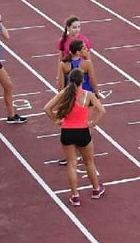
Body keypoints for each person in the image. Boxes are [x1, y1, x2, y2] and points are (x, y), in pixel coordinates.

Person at [42, 67, 106, 206]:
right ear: (83, 80)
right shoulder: (88, 95)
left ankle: (75, 196)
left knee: (71, 164)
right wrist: (93, 123)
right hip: (83, 132)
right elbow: (102, 111)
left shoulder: (65, 93)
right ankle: (96, 189)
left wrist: (56, 120)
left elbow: (47, 108)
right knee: (89, 162)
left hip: (67, 132)